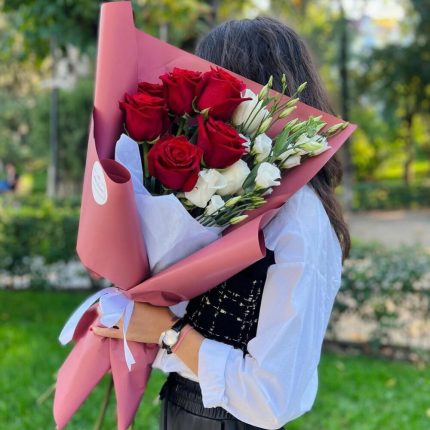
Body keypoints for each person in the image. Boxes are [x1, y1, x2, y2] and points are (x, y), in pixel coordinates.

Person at [92, 16, 350, 430]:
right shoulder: (225, 194)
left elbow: (270, 398)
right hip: (186, 408)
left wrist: (169, 332)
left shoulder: (300, 216)